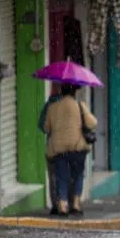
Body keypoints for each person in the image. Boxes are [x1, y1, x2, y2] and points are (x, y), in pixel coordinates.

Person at [44, 83, 97, 216]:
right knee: (78, 175)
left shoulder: (52, 107)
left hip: (59, 148)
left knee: (61, 176)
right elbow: (92, 123)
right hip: (77, 147)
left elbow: (46, 128)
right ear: (74, 91)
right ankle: (76, 204)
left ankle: (62, 206)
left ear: (61, 91)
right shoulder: (79, 105)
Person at [38, 87, 63, 215]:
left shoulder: (49, 105)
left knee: (53, 176)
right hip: (67, 147)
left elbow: (42, 126)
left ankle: (55, 205)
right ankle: (65, 203)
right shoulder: (71, 105)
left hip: (52, 146)